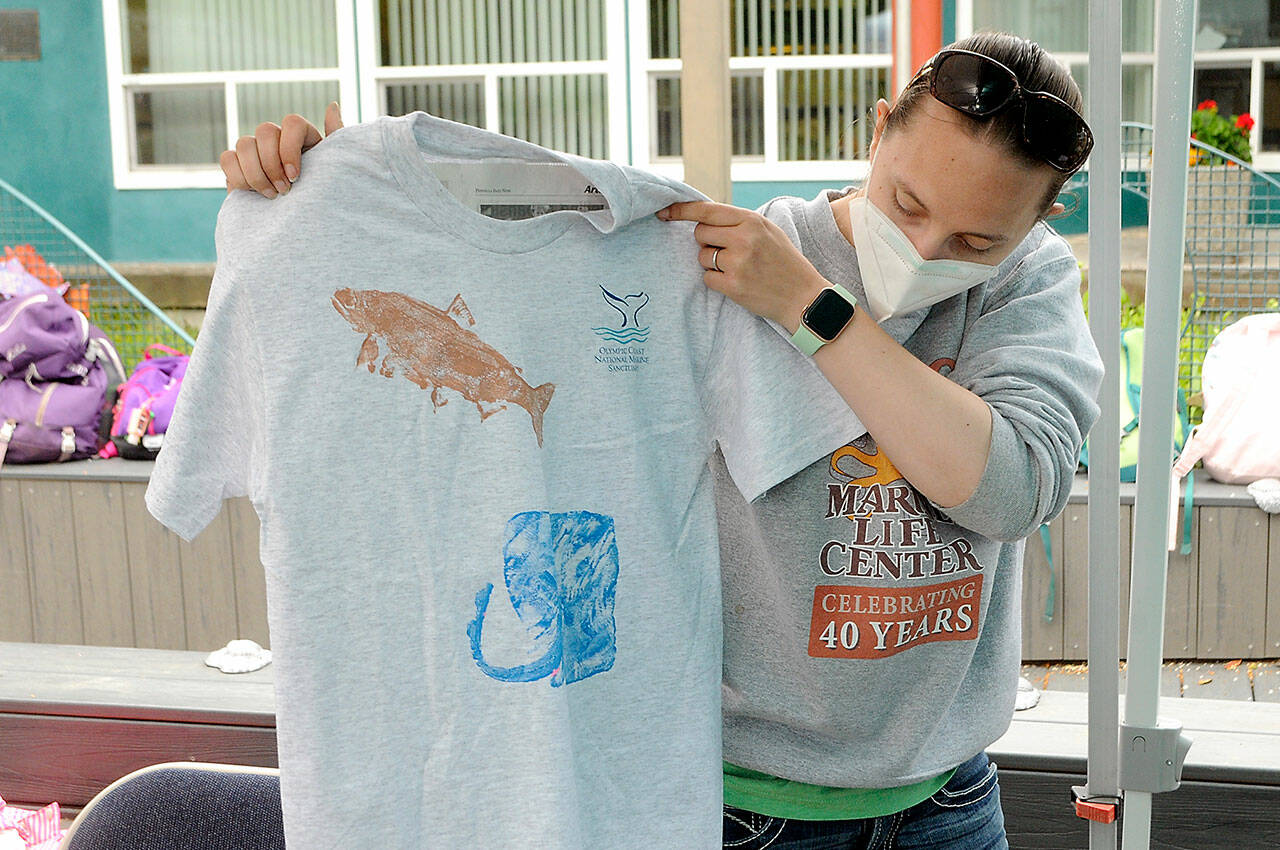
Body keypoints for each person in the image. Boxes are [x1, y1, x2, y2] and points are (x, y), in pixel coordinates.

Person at [221, 31, 1102, 850]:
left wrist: (812, 310)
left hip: (944, 800)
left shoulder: (1020, 285)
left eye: (977, 238)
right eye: (907, 203)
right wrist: (345, 185)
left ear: (1041, 220)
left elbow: (1010, 488)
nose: (924, 248)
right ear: (878, 132)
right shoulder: (725, 260)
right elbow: (511, 234)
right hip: (739, 803)